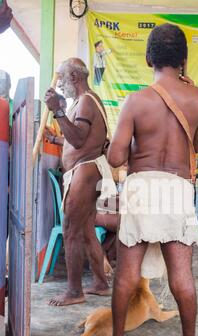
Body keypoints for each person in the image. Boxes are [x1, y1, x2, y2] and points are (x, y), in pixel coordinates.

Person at [107, 23, 198, 336]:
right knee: (182, 275)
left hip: (141, 188)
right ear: (183, 58)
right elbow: (197, 146)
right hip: (178, 189)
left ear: (149, 57)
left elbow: (115, 158)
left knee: (126, 275)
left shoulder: (136, 101)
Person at [44, 57, 117, 306]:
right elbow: (80, 140)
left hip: (85, 172)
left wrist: (57, 110)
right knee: (86, 232)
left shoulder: (85, 101)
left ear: (74, 77)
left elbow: (77, 140)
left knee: (70, 230)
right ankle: (100, 283)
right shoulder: (84, 101)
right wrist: (54, 141)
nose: (61, 83)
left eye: (63, 77)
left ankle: (74, 292)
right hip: (84, 170)